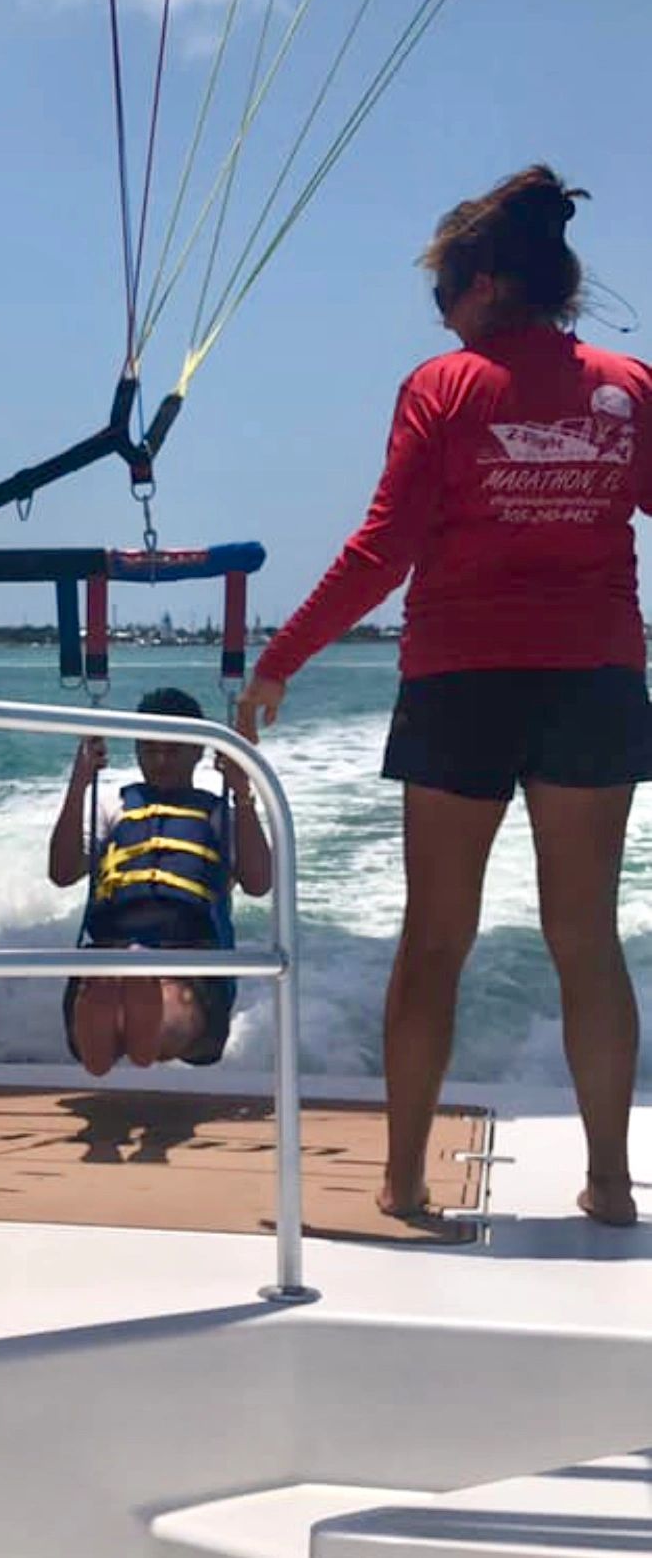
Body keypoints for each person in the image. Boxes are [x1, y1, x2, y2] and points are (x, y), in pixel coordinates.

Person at [236, 164, 652, 1228]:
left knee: (435, 936)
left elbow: (384, 548)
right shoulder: (628, 388)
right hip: (595, 678)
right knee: (587, 937)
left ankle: (407, 1179)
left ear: (478, 289)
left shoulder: (444, 387)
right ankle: (609, 1182)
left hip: (462, 678)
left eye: (444, 298)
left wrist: (283, 656)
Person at [49, 686, 272, 1076]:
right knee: (115, 984)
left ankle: (133, 1011)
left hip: (189, 958)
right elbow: (62, 872)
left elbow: (258, 882)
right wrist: (80, 782)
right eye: (149, 751)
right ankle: (110, 1014)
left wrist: (242, 792)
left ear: (198, 750)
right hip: (111, 948)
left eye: (172, 751)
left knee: (170, 996)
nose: (160, 762)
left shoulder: (220, 813)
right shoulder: (111, 805)